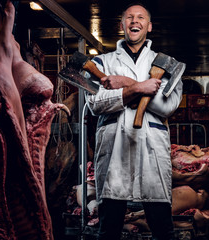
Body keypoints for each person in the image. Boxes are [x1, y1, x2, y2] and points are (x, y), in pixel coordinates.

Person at [85, 2, 183, 240]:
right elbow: (95, 103)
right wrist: (140, 87)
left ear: (149, 26)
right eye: (129, 17)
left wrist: (124, 83)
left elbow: (167, 106)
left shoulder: (168, 64)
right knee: (108, 229)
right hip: (114, 151)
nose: (134, 21)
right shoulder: (102, 63)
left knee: (162, 228)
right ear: (122, 25)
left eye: (140, 18)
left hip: (152, 152)